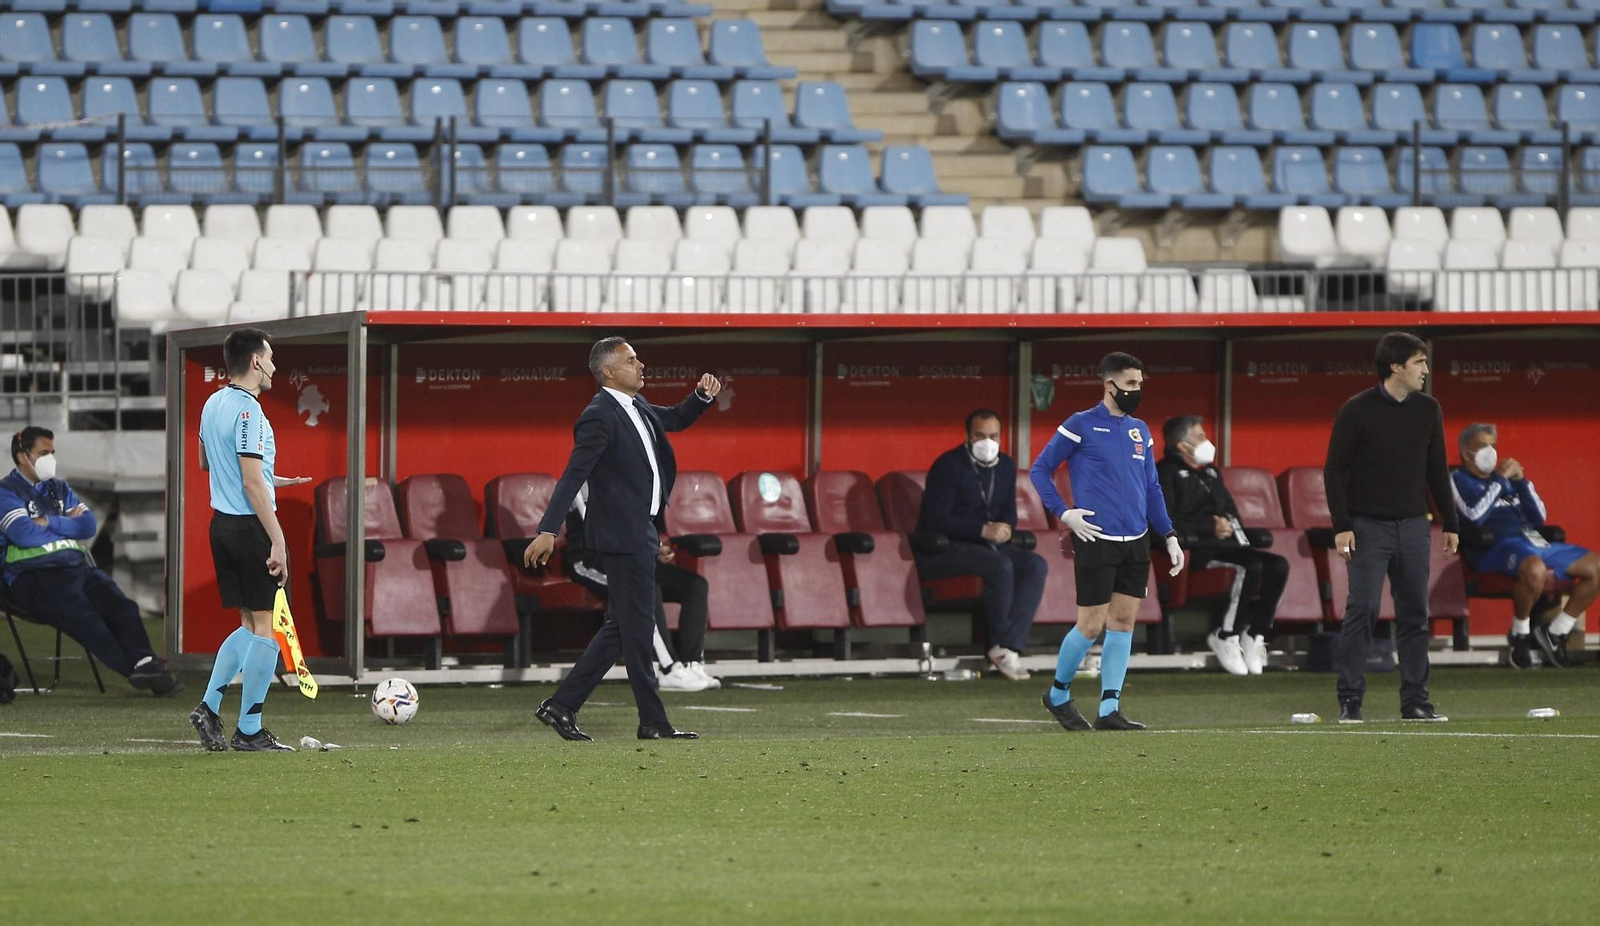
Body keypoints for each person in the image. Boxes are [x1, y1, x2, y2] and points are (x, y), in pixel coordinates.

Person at [523, 337, 719, 742]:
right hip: (621, 534)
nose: (641, 364)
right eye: (631, 360)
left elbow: (677, 419)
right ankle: (650, 722)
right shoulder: (598, 415)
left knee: (624, 627)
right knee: (633, 625)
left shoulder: (637, 406)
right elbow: (573, 475)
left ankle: (565, 706)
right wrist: (547, 529)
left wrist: (699, 398)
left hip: (642, 530)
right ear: (609, 371)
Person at [1030, 352, 1184, 731]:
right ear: (1109, 385)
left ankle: (1109, 709)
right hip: (1096, 537)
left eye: (1140, 384)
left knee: (1124, 621)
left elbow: (1151, 487)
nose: (1137, 391)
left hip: (1136, 540)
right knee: (1090, 625)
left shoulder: (1141, 431)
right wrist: (1064, 513)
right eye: (1131, 384)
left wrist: (1169, 534)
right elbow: (1040, 470)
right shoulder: (1080, 424)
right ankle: (1058, 694)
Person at [188, 328, 313, 752]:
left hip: (221, 525)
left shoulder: (212, 403)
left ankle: (210, 707)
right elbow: (249, 480)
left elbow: (209, 462)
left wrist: (275, 478)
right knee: (267, 628)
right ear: (256, 361)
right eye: (271, 357)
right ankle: (249, 729)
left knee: (249, 623)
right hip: (250, 528)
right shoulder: (249, 412)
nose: (276, 366)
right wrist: (277, 540)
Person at [1324, 332, 1458, 725]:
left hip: (1416, 525)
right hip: (1367, 527)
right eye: (1419, 363)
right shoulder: (1356, 410)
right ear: (1396, 367)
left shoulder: (1429, 409)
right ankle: (1350, 700)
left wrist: (1450, 522)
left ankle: (1416, 702)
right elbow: (1335, 470)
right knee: (1362, 609)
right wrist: (1341, 525)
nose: (1426, 371)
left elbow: (1437, 470)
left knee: (1415, 613)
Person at [1, 427, 181, 696]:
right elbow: (23, 534)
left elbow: (87, 525)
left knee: (123, 607)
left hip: (76, 569)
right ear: (22, 457)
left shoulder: (58, 488)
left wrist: (49, 521)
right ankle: (136, 670)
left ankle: (145, 661)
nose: (50, 458)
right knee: (86, 618)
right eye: (43, 453)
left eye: (52, 453)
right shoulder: (6, 492)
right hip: (31, 577)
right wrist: (66, 524)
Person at [1452, 423, 1597, 668]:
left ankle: (1556, 633)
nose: (1491, 451)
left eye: (1493, 446)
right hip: (1494, 547)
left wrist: (1521, 481)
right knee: (1534, 568)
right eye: (1483, 446)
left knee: (1596, 567)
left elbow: (1539, 517)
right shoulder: (1458, 479)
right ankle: (1520, 635)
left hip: (1531, 541)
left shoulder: (1509, 482)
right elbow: (1474, 517)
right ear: (1467, 452)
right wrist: (1498, 481)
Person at [914, 409, 1046, 680]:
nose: (988, 442)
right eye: (981, 436)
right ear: (968, 436)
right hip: (944, 549)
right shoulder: (948, 465)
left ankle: (1010, 645)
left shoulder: (1006, 467)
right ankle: (998, 644)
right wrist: (982, 529)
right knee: (1000, 564)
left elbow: (1008, 512)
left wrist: (1006, 529)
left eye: (994, 436)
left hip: (986, 546)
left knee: (1035, 564)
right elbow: (935, 519)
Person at [1157, 415, 1289, 676]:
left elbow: (1230, 511)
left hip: (1226, 545)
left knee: (1278, 565)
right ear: (1182, 445)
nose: (1207, 440)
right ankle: (1226, 634)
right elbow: (1166, 519)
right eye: (1199, 436)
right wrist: (1210, 528)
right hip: (1192, 550)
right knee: (1249, 565)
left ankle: (1255, 633)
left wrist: (1229, 526)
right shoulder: (1164, 473)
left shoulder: (1211, 473)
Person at [563, 484, 720, 691]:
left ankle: (692, 664)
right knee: (643, 586)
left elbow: (636, 523)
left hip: (631, 556)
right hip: (590, 559)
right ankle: (668, 668)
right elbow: (600, 529)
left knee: (695, 586)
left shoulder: (634, 474)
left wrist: (655, 548)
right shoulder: (586, 476)